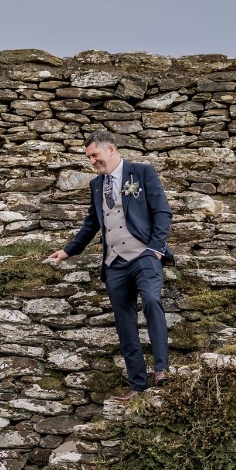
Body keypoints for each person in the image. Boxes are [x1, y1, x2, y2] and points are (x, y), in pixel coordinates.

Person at [45, 131, 173, 400]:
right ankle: (137, 385)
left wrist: (156, 249)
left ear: (111, 149)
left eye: (95, 155)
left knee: (151, 301)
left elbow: (162, 210)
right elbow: (91, 224)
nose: (92, 161)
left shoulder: (142, 172)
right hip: (114, 263)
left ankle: (162, 370)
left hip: (144, 255)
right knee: (124, 324)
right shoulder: (95, 185)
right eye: (89, 157)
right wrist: (68, 251)